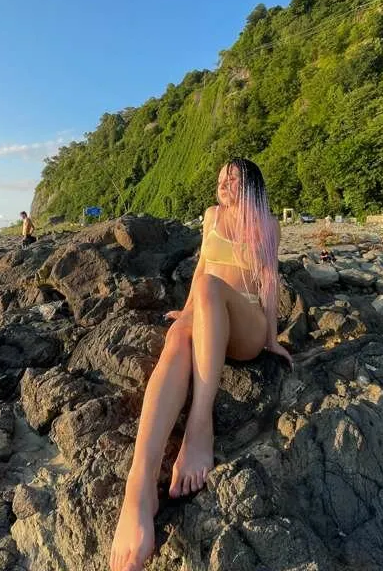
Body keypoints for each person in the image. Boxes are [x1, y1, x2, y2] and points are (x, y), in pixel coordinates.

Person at [109, 158, 293, 571]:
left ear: (252, 184)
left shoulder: (267, 224)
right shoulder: (211, 216)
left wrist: (271, 339)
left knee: (213, 287)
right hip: (206, 312)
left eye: (233, 178)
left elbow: (269, 283)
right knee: (177, 335)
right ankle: (139, 487)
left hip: (245, 324)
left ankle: (199, 426)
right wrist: (187, 311)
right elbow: (201, 270)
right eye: (221, 178)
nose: (224, 184)